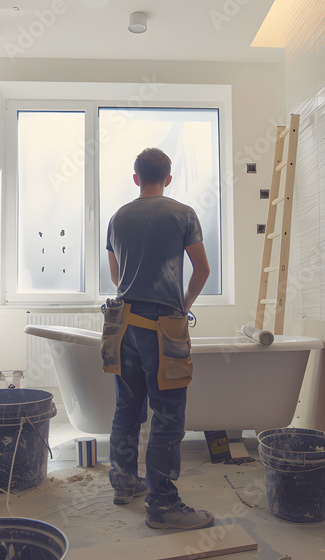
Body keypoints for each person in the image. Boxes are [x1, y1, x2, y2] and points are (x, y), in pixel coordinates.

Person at [102, 147, 212, 530]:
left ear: (136, 178)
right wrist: (182, 305)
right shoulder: (182, 214)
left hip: (122, 325)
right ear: (168, 177)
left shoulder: (117, 218)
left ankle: (124, 481)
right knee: (166, 414)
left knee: (127, 407)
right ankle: (163, 505)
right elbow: (202, 269)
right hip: (163, 326)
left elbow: (116, 277)